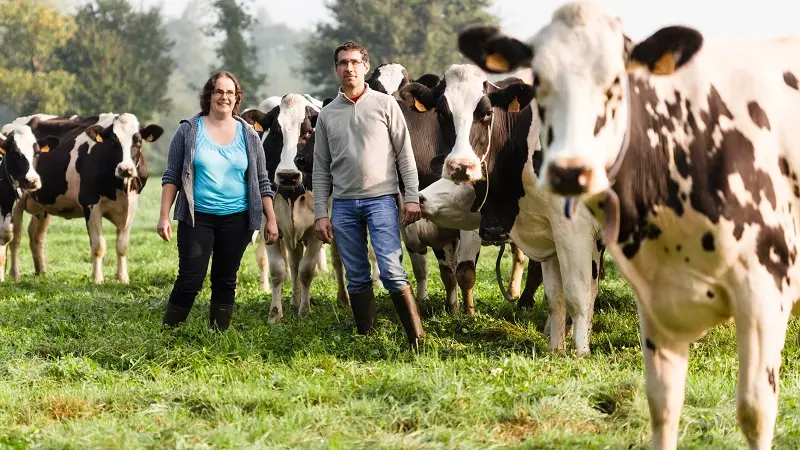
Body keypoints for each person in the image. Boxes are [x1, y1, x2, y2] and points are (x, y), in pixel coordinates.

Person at [313, 41, 424, 350]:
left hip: (382, 199)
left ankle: (416, 338)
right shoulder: (327, 115)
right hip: (344, 204)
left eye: (354, 62)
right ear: (335, 69)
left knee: (390, 269)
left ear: (365, 66)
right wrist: (321, 213)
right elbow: (321, 169)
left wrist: (412, 196)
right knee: (357, 275)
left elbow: (405, 155)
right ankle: (367, 338)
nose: (349, 68)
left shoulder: (385, 104)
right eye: (342, 63)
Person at [157, 71, 279, 331]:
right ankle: (169, 330)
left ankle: (218, 332)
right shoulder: (188, 131)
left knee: (226, 278)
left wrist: (271, 219)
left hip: (238, 219)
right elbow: (171, 176)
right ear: (209, 95)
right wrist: (164, 215)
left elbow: (262, 180)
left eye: (230, 93)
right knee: (191, 277)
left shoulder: (249, 134)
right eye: (219, 91)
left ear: (237, 99)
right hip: (197, 216)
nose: (224, 97)